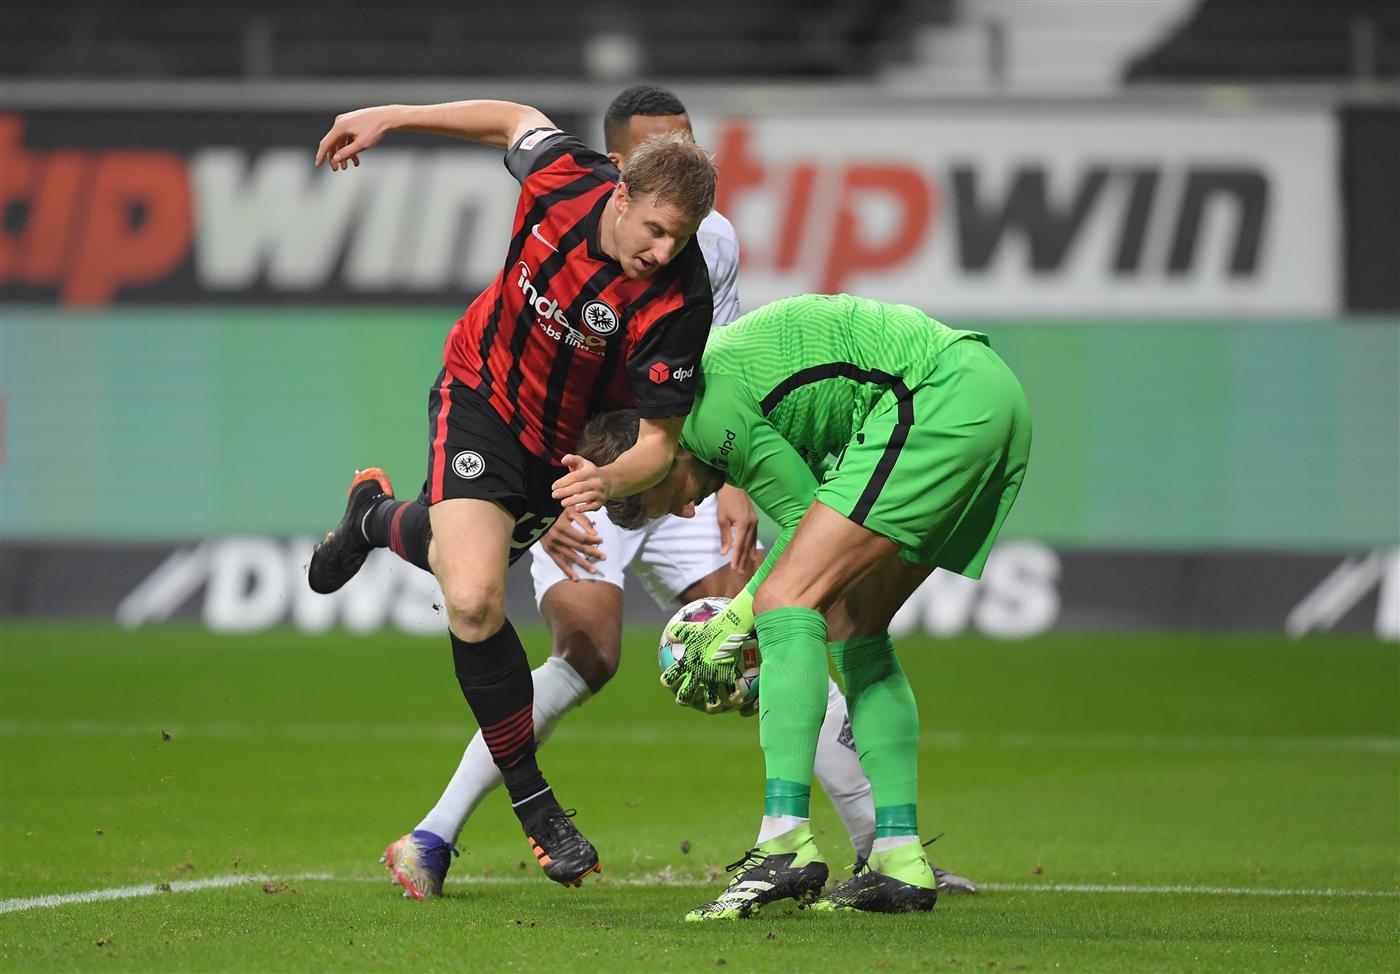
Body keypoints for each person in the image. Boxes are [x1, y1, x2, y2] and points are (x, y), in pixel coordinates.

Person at [371, 86, 977, 902]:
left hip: (685, 465)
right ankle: (437, 831)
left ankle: (875, 844)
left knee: (776, 629)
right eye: (661, 147)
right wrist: (542, 504)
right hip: (585, 469)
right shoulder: (576, 198)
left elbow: (719, 366)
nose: (681, 163)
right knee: (586, 654)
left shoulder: (702, 244)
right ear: (618, 169)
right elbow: (532, 371)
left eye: (689, 142)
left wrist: (735, 487)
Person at [305, 96, 718, 889]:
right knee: (472, 601)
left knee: (467, 568)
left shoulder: (678, 300)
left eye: (682, 239)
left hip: (564, 455)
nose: (664, 252)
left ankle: (373, 519)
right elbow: (511, 117)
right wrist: (391, 116)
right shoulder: (564, 177)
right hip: (482, 397)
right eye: (655, 230)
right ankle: (534, 803)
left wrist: (594, 483)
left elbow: (660, 444)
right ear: (620, 196)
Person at [576, 293, 1031, 918]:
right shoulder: (706, 402)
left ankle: (783, 845)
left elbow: (796, 529)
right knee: (855, 626)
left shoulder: (704, 418)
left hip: (936, 397)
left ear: (662, 449)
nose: (688, 510)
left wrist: (733, 621)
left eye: (672, 495)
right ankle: (899, 860)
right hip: (988, 395)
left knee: (786, 600)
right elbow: (807, 512)